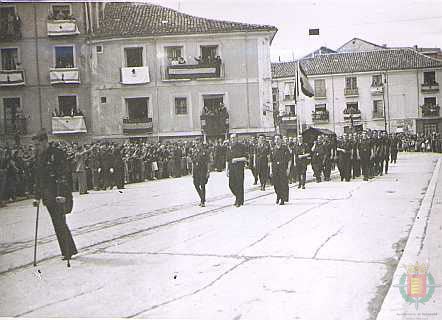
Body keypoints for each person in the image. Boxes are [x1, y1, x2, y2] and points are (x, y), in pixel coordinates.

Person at [32, 129, 77, 261]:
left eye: (37, 145)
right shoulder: (39, 157)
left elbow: (63, 175)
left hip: (59, 195)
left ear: (45, 141)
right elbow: (38, 179)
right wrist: (36, 197)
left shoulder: (57, 154)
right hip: (48, 196)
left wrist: (62, 194)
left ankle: (67, 251)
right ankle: (69, 250)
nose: (35, 148)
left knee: (60, 222)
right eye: (34, 146)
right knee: (58, 223)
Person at [226, 134, 248, 207]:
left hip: (239, 168)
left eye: (234, 138)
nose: (232, 139)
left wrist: (237, 159)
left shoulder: (241, 146)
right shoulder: (229, 147)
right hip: (231, 168)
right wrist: (227, 170)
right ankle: (239, 198)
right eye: (231, 138)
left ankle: (239, 200)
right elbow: (227, 159)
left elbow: (245, 158)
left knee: (239, 184)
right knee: (231, 185)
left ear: (237, 138)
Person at [270, 135, 291, 205]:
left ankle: (282, 199)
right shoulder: (273, 149)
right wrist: (270, 170)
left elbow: (289, 159)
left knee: (283, 184)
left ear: (281, 140)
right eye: (275, 139)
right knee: (276, 185)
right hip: (275, 169)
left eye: (278, 139)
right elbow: (271, 161)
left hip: (283, 169)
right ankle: (278, 195)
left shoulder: (285, 148)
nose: (276, 140)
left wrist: (288, 169)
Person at [191, 138, 210, 207]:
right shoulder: (194, 151)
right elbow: (193, 162)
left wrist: (208, 171)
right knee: (195, 184)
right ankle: (202, 198)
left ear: (201, 143)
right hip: (196, 170)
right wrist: (192, 172)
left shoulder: (205, 151)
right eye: (196, 143)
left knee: (202, 185)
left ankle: (202, 201)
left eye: (198, 143)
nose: (197, 144)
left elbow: (208, 162)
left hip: (203, 170)